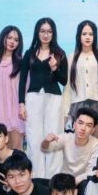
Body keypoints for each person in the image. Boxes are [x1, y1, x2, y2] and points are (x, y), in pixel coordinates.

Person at [18, 17, 68, 178]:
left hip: (54, 99)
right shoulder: (29, 53)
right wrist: (21, 103)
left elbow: (64, 81)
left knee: (53, 138)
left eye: (49, 31)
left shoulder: (60, 54)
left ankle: (52, 179)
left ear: (53, 33)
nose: (46, 35)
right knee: (34, 139)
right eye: (42, 31)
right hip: (33, 98)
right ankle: (36, 178)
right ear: (37, 33)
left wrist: (55, 68)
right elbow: (22, 80)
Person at [61, 20, 98, 136]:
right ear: (79, 36)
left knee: (96, 143)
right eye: (84, 34)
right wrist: (65, 112)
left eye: (91, 34)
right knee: (78, 144)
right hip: (77, 105)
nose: (87, 37)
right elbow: (68, 87)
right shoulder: (71, 57)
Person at [40, 107, 98, 193]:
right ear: (74, 125)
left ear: (92, 130)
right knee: (39, 183)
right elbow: (46, 149)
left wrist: (76, 180)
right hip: (65, 181)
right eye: (80, 123)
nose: (83, 128)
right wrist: (46, 141)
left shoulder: (97, 145)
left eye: (88, 125)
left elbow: (91, 171)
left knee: (88, 185)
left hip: (82, 183)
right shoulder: (66, 138)